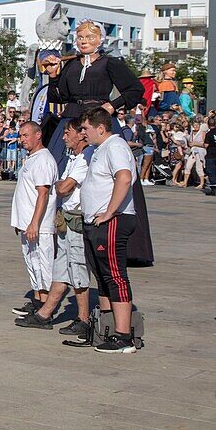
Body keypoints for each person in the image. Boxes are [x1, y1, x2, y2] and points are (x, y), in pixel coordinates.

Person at [43, 20, 152, 266]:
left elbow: (135, 91)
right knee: (59, 170)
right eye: (80, 36)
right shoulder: (70, 65)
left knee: (105, 170)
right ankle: (57, 230)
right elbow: (56, 96)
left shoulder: (110, 63)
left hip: (97, 120)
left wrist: (113, 105)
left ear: (100, 40)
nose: (83, 41)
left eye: (89, 37)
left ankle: (113, 229)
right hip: (71, 120)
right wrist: (53, 76)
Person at [15, 121, 91, 336]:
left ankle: (82, 318)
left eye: (68, 133)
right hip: (64, 219)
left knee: (73, 271)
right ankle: (44, 312)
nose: (64, 137)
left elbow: (58, 189)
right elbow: (61, 188)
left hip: (72, 220)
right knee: (59, 271)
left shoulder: (83, 158)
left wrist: (34, 222)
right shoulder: (72, 158)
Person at [78, 108, 140, 353]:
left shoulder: (115, 146)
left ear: (100, 127)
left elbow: (124, 177)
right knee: (102, 275)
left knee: (115, 275)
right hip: (97, 222)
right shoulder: (98, 149)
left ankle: (124, 335)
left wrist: (110, 211)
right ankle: (107, 327)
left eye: (86, 128)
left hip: (114, 221)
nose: (83, 133)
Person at [9, 122, 58, 318]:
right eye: (20, 136)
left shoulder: (43, 160)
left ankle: (46, 308)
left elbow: (43, 194)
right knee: (32, 263)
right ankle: (37, 301)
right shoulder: (31, 158)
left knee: (43, 264)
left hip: (39, 225)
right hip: (26, 222)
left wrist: (34, 223)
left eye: (26, 135)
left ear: (38, 135)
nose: (22, 140)